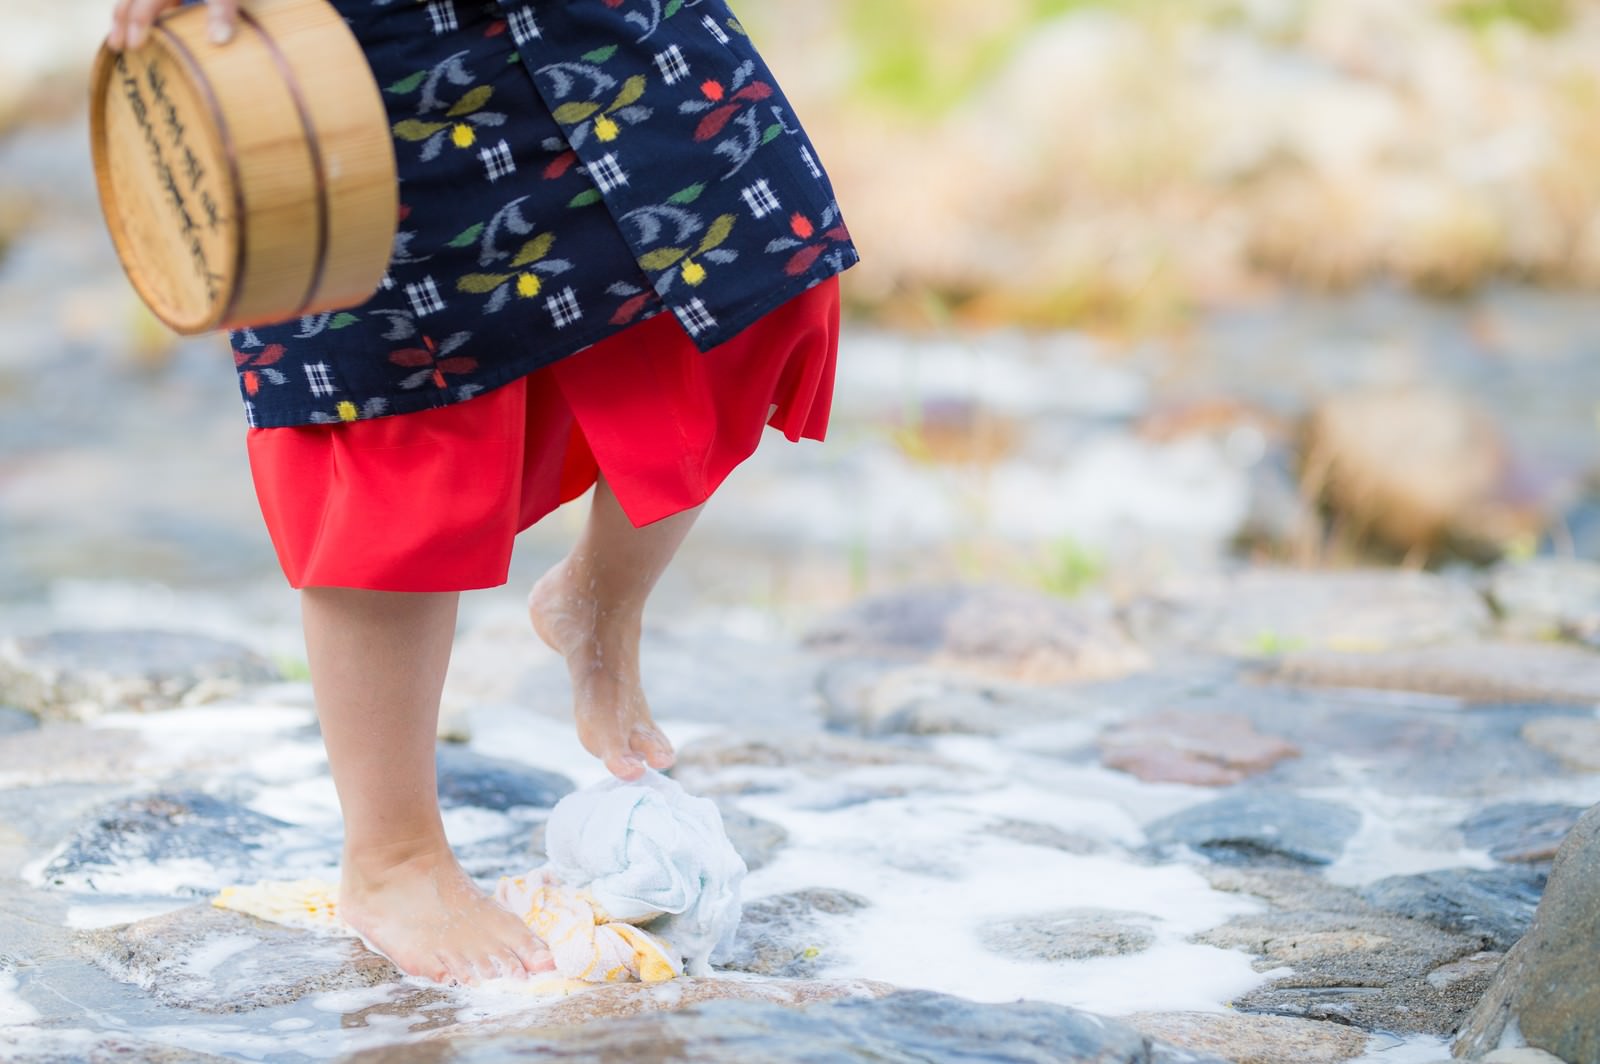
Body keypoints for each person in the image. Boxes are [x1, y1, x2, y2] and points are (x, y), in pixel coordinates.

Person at [104, 0, 858, 987]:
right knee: (394, 402)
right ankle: (393, 857)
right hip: (359, 40)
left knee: (754, 256)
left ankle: (595, 602)